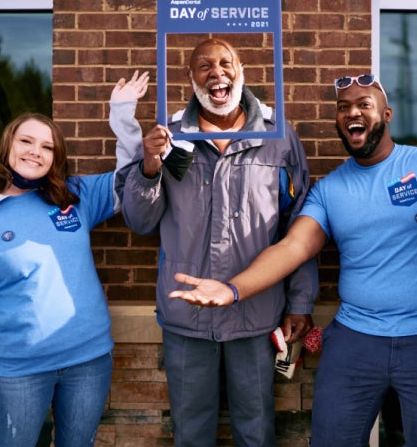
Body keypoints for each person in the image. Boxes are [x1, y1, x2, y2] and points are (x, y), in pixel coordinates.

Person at [169, 73, 417, 446]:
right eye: (343, 107)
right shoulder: (329, 190)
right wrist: (233, 289)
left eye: (364, 104)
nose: (353, 112)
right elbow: (292, 248)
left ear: (387, 114)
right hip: (356, 341)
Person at [118, 38, 318, 447]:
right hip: (186, 318)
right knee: (191, 435)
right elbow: (140, 222)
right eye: (204, 66)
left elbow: (297, 225)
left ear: (241, 70)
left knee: (256, 433)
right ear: (191, 77)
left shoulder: (279, 137)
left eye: (225, 63)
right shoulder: (168, 136)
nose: (216, 72)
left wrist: (300, 302)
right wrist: (150, 166)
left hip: (256, 313)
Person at [0, 70, 149, 446]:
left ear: (56, 158)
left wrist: (121, 113)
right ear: (7, 146)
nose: (35, 152)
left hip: (89, 360)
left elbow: (130, 180)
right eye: (26, 141)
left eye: (47, 147)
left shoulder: (74, 196)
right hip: (19, 370)